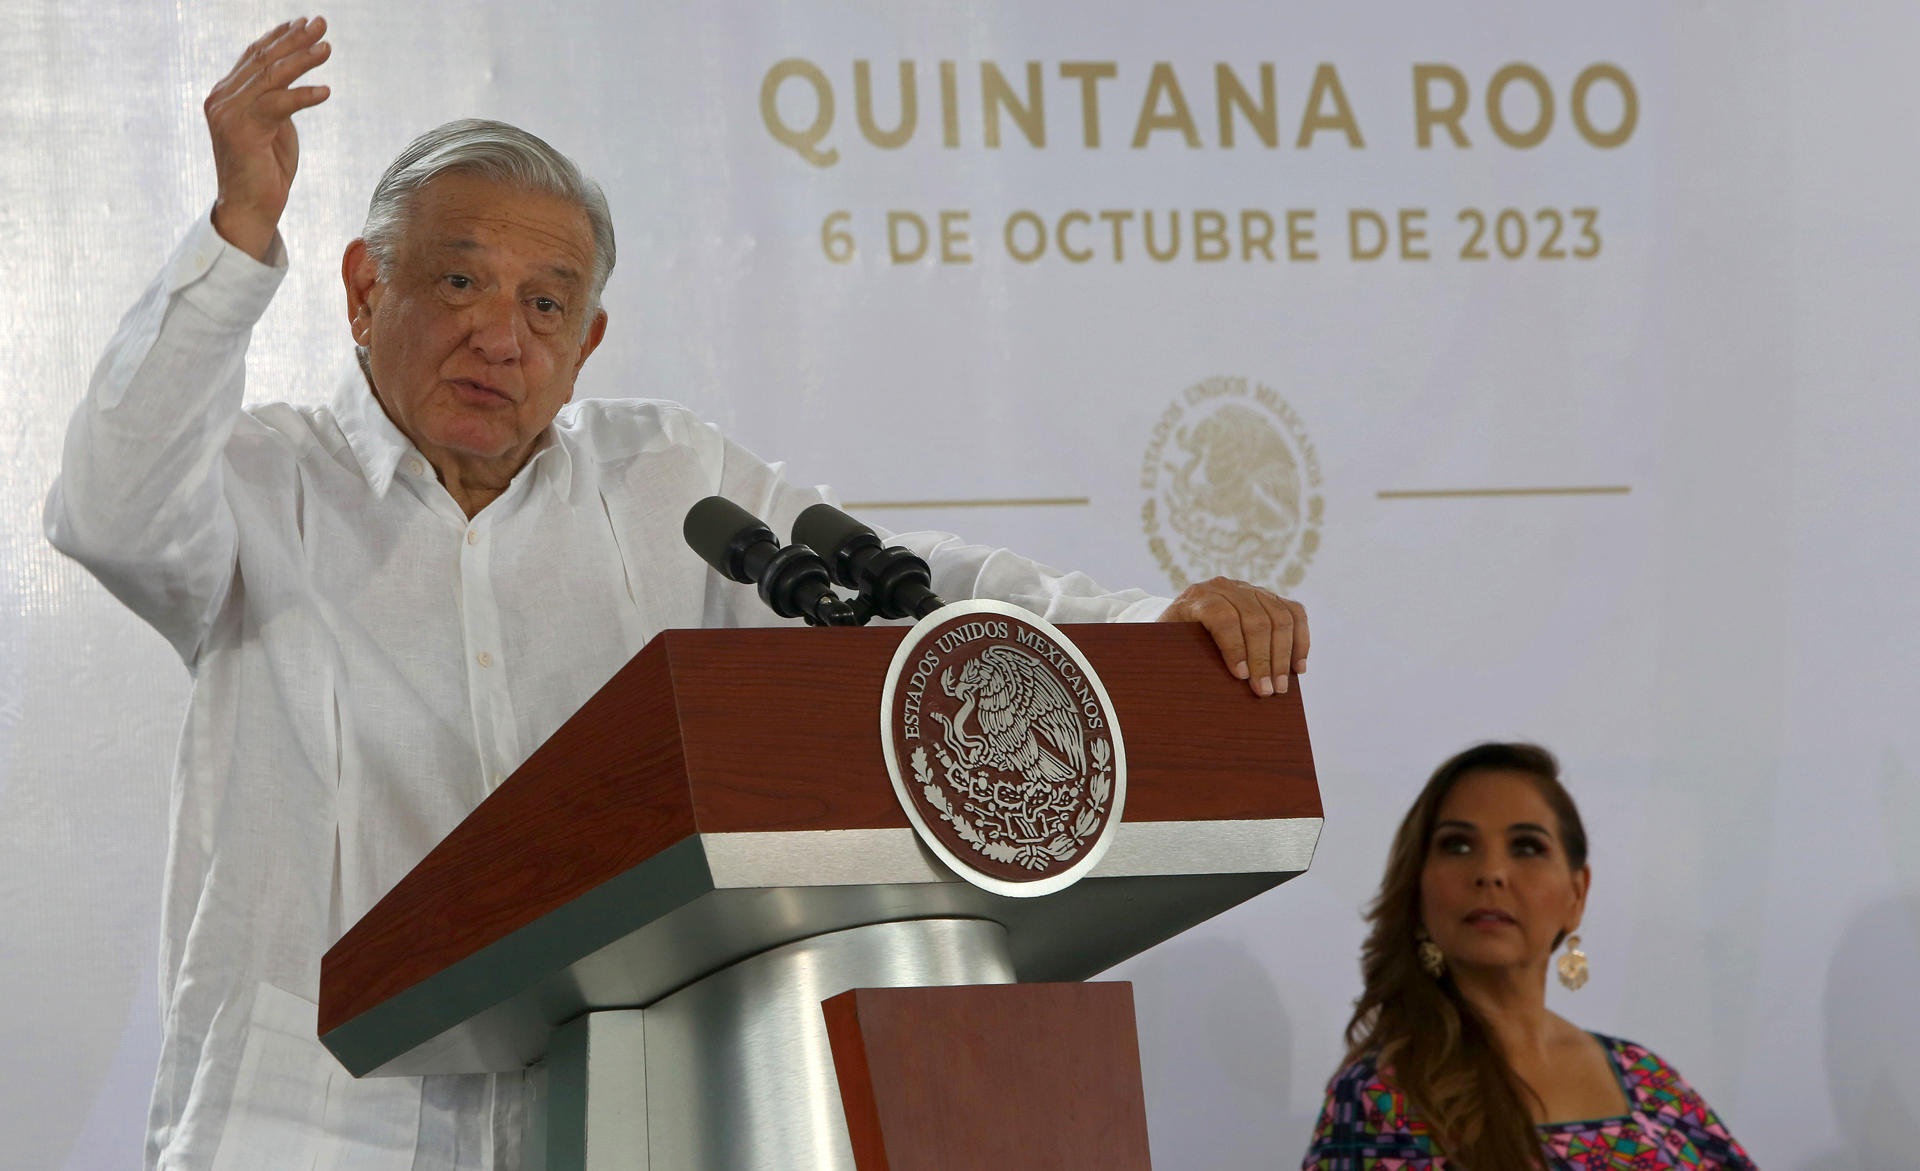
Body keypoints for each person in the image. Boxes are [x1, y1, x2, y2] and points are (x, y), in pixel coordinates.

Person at [44, 17, 1310, 1171]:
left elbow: (897, 595)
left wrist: (1147, 635)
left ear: (589, 342)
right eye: (459, 281)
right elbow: (108, 508)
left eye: (548, 304)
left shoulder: (666, 478)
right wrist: (235, 233)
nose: (503, 335)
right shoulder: (261, 480)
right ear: (366, 290)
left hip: (611, 1115)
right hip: (304, 1125)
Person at [1301, 743, 1756, 1170]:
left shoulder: (1645, 1078)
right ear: (1418, 889)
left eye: (1527, 847)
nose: (1491, 872)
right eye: (1457, 845)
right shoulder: (1379, 1096)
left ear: (1576, 895)